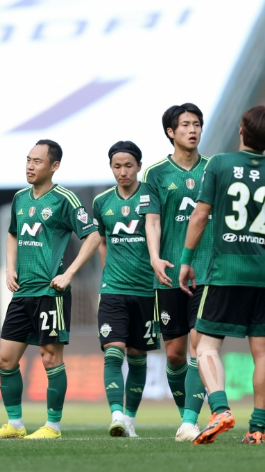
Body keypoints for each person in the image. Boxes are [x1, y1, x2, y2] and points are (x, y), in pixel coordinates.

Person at [180, 105, 265, 445]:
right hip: (263, 274)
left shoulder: (219, 164)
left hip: (224, 272)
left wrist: (187, 260)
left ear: (242, 129)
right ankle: (258, 428)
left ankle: (220, 409)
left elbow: (200, 216)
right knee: (263, 352)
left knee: (205, 347)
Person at [0, 140, 100, 440]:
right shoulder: (20, 198)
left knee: (50, 358)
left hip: (51, 292)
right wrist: (10, 268)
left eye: (38, 161)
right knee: (4, 360)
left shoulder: (65, 199)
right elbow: (11, 234)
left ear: (54, 166)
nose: (30, 166)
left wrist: (69, 274)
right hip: (23, 293)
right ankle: (15, 425)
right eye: (28, 159)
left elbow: (94, 237)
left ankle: (53, 427)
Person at [139, 103, 213, 441]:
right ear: (171, 131)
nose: (193, 130)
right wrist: (154, 256)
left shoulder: (214, 169)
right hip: (167, 272)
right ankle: (190, 417)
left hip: (204, 272)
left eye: (197, 124)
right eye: (185, 125)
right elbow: (151, 220)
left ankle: (188, 420)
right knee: (175, 353)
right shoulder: (155, 174)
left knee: (199, 345)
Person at [93, 141, 158, 438]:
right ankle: (117, 415)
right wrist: (109, 272)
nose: (123, 172)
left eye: (128, 165)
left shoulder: (151, 195)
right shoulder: (101, 202)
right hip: (113, 290)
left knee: (138, 355)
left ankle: (130, 418)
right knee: (113, 351)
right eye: (117, 166)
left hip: (147, 289)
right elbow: (102, 241)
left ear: (139, 166)